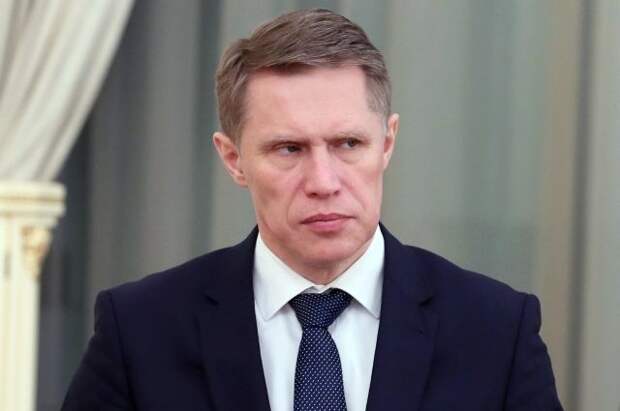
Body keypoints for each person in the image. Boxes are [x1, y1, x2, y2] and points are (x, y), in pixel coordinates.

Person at [63, 8, 563, 411]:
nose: (323, 182)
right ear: (233, 159)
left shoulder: (495, 330)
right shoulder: (140, 330)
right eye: (289, 149)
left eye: (348, 143)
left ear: (387, 143)